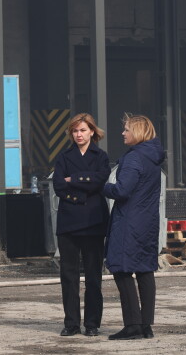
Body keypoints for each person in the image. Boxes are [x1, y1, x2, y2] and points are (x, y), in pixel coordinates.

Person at [103, 113, 165, 341]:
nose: (123, 133)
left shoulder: (134, 158)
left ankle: (132, 325)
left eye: (127, 129)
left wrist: (102, 186)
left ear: (137, 132)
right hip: (148, 222)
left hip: (129, 222)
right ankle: (146, 325)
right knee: (145, 270)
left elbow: (122, 190)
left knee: (121, 269)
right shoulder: (153, 157)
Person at [52, 113, 111, 337]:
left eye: (83, 130)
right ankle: (71, 324)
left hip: (94, 221)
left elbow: (100, 180)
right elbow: (59, 185)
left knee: (93, 276)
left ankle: (92, 323)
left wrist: (74, 179)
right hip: (68, 222)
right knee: (69, 276)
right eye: (75, 131)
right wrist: (84, 188)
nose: (79, 135)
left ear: (92, 132)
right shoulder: (64, 157)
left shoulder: (101, 156)